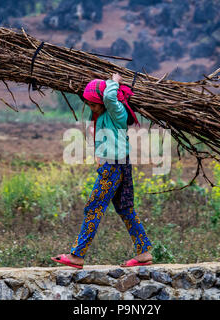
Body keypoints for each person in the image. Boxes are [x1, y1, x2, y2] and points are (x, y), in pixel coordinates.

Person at [51, 73, 153, 269]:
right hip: (119, 164)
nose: (91, 108)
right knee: (125, 209)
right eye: (89, 104)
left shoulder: (117, 111)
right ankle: (144, 253)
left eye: (93, 104)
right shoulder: (99, 115)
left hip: (114, 167)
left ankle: (77, 255)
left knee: (93, 208)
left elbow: (108, 97)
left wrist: (113, 82)